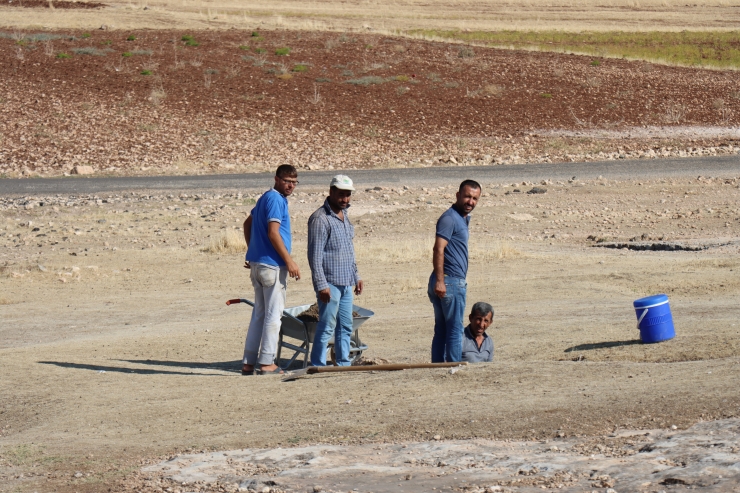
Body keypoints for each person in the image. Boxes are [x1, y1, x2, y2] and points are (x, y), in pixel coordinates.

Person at [241, 164, 301, 375]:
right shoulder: (276, 199)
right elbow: (273, 233)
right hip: (272, 266)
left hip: (258, 264)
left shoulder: (265, 198)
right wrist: (290, 261)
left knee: (259, 313)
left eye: (294, 182)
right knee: (274, 315)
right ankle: (267, 363)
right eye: (287, 181)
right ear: (276, 179)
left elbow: (247, 224)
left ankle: (249, 362)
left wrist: (253, 251)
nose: (291, 186)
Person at [307, 175, 364, 366]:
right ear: (331, 191)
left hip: (347, 282)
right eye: (341, 194)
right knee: (327, 326)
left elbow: (349, 249)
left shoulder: (345, 216)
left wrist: (356, 276)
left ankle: (343, 363)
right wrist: (322, 285)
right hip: (330, 283)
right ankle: (317, 365)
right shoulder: (320, 219)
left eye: (348, 195)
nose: (345, 199)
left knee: (345, 326)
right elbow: (314, 256)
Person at [428, 179, 482, 363]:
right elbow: (438, 249)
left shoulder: (462, 218)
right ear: (458, 195)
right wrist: (441, 280)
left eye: (475, 198)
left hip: (446, 281)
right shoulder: (450, 218)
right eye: (467, 196)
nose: (470, 202)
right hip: (449, 281)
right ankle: (454, 366)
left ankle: (437, 366)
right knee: (454, 329)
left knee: (443, 329)